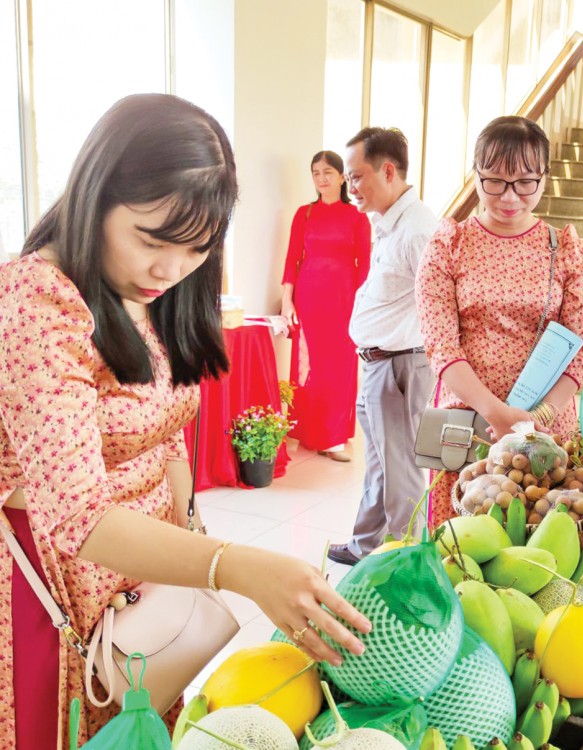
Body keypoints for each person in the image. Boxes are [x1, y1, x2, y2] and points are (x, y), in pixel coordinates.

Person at [0, 94, 370, 749]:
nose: (169, 270)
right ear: (96, 193)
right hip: (54, 584)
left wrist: (187, 539)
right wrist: (233, 565)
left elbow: (170, 421)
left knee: (140, 724)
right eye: (151, 240)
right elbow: (77, 520)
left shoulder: (152, 291)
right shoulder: (38, 301)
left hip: (144, 568)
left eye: (195, 249)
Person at [415, 116, 583, 527]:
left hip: (547, 431)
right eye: (494, 180)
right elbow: (441, 344)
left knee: (539, 548)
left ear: (544, 178)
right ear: (476, 176)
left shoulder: (565, 250)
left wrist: (537, 421)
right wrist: (497, 413)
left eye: (524, 182)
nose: (509, 196)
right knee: (461, 546)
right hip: (468, 425)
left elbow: (582, 350)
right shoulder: (449, 245)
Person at [326, 127, 438, 566]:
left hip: (400, 366)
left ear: (387, 171)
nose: (349, 187)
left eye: (355, 177)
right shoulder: (389, 222)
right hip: (378, 363)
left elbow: (439, 307)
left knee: (401, 473)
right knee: (378, 467)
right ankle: (367, 546)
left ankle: (403, 563)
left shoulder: (417, 231)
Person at [281, 151, 371, 462]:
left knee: (339, 366)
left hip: (344, 299)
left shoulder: (357, 215)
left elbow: (365, 265)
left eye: (328, 172)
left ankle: (332, 437)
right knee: (307, 366)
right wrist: (286, 301)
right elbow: (292, 259)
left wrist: (360, 303)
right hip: (308, 297)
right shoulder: (303, 213)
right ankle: (303, 430)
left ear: (343, 177)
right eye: (316, 172)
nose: (322, 178)